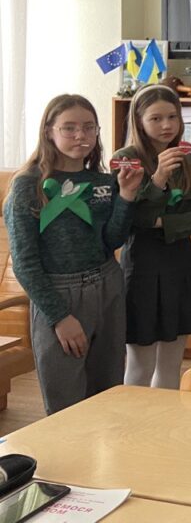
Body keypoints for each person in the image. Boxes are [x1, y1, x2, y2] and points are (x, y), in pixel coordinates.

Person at [4, 94, 142, 413]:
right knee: (65, 400)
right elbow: (24, 263)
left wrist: (126, 196)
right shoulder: (28, 185)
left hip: (107, 284)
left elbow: (112, 241)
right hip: (59, 293)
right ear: (49, 131)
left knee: (108, 394)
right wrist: (60, 317)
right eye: (69, 128)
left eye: (89, 127)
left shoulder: (103, 181)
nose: (81, 135)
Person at [116, 85, 191, 389]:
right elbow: (132, 219)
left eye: (172, 117)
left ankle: (163, 419)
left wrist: (164, 223)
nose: (166, 125)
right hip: (141, 270)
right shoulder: (126, 159)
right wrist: (157, 180)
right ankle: (133, 419)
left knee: (171, 363)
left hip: (179, 267)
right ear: (139, 121)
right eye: (156, 118)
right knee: (140, 364)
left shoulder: (188, 160)